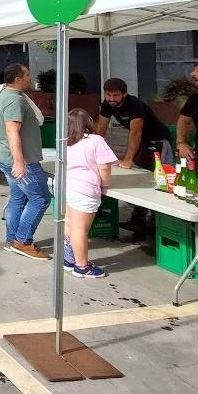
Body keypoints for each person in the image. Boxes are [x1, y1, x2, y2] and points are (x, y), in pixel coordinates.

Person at [0, 64, 50, 260]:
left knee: (18, 197)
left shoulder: (6, 95)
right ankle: (22, 241)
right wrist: (19, 162)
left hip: (7, 156)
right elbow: (11, 130)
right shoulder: (14, 100)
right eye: (27, 75)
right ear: (18, 78)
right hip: (21, 160)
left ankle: (12, 240)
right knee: (40, 199)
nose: (30, 77)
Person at [62, 108, 117, 280]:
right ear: (88, 123)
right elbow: (104, 167)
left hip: (66, 186)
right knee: (81, 230)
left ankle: (69, 260)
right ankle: (82, 267)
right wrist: (105, 184)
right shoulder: (96, 140)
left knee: (69, 224)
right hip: (85, 189)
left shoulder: (65, 141)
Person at [96, 78, 172, 170]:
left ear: (124, 94)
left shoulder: (134, 104)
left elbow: (136, 132)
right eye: (108, 95)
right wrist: (94, 153)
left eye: (116, 95)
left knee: (158, 171)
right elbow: (101, 128)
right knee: (138, 168)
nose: (111, 99)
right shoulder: (107, 104)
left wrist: (128, 159)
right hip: (142, 141)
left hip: (158, 140)